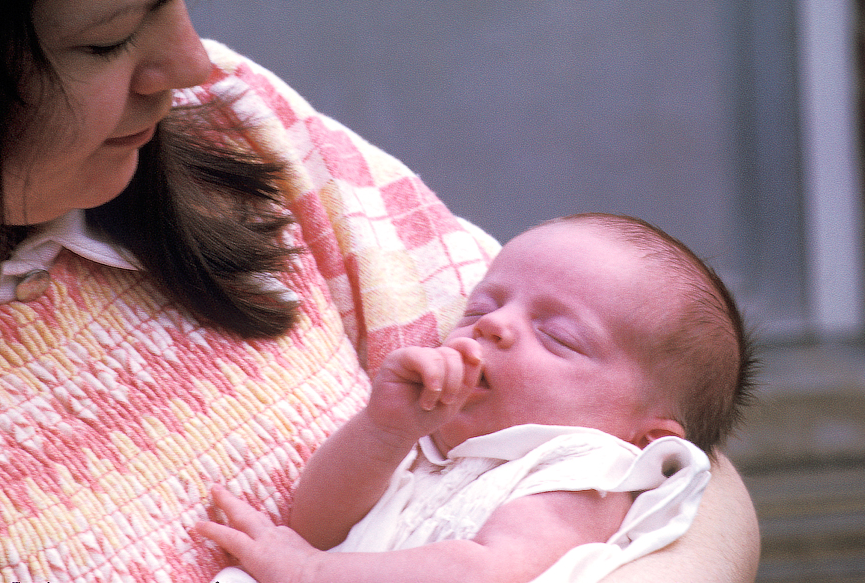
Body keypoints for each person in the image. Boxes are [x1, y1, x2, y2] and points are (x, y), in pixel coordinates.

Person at [0, 0, 759, 582]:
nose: (193, 65)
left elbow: (684, 454)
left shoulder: (238, 122)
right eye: (107, 38)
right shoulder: (450, 430)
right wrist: (380, 429)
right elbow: (318, 515)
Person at [196, 213, 756, 583]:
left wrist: (309, 573)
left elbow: (486, 573)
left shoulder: (586, 471)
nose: (494, 326)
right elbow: (317, 526)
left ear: (645, 439)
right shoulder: (438, 445)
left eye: (558, 337)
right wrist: (382, 432)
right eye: (482, 307)